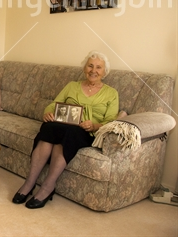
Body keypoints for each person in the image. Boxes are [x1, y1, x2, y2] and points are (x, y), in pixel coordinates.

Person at [12, 51, 119, 209]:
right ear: (84, 68)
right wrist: (48, 113)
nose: (93, 70)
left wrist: (94, 125)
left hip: (86, 131)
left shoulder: (111, 93)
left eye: (98, 67)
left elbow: (111, 121)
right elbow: (54, 104)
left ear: (105, 72)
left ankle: (48, 187)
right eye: (90, 66)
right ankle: (29, 182)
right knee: (49, 127)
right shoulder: (72, 86)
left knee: (68, 133)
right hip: (62, 125)